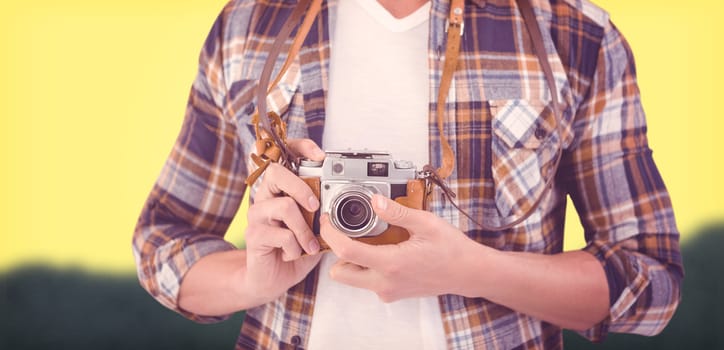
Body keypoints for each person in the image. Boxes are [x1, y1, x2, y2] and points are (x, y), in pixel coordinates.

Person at [132, 0, 683, 348]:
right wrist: (250, 281)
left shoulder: (574, 33)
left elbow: (651, 282)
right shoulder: (246, 27)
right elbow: (162, 244)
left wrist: (472, 270)